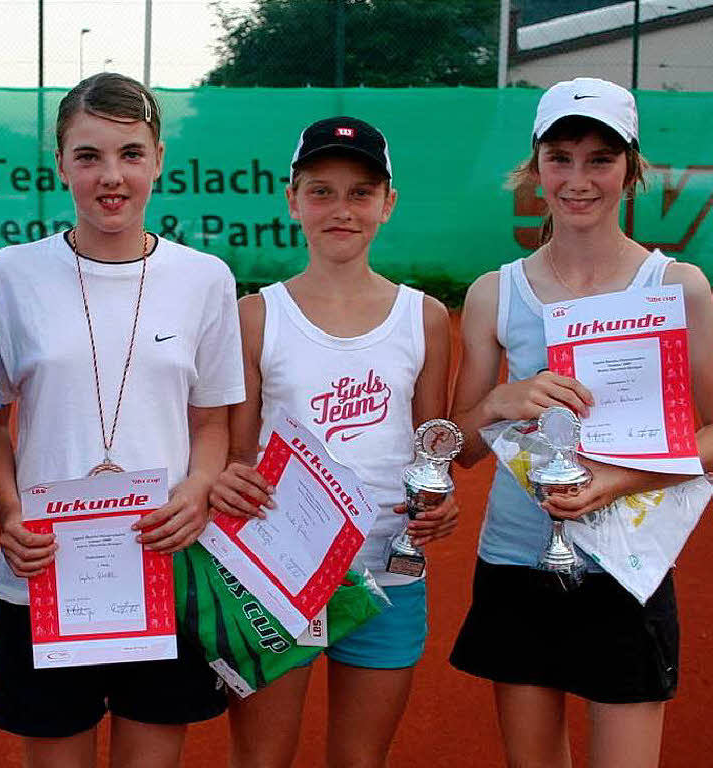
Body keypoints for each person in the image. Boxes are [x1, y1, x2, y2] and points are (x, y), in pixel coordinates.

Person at [0, 72, 245, 768]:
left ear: (158, 159)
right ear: (61, 163)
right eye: (89, 156)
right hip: (45, 574)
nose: (111, 177)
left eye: (130, 154)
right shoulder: (10, 274)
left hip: (163, 568)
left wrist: (198, 489)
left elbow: (211, 420)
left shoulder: (205, 278)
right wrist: (10, 514)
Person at [449, 77, 713, 768]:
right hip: (514, 561)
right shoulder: (492, 293)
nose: (578, 179)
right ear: (535, 167)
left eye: (600, 159)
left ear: (631, 169)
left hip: (627, 563)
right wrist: (503, 402)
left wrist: (618, 479)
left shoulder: (677, 287)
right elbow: (461, 447)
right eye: (560, 157)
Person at [208, 117, 459, 768]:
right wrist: (230, 481)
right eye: (321, 191)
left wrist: (439, 501)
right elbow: (238, 457)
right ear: (291, 201)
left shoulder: (425, 317)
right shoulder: (256, 315)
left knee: (360, 759)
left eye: (360, 193)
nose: (341, 209)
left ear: (387, 204)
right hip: (275, 575)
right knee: (262, 759)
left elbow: (430, 456)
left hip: (388, 576)